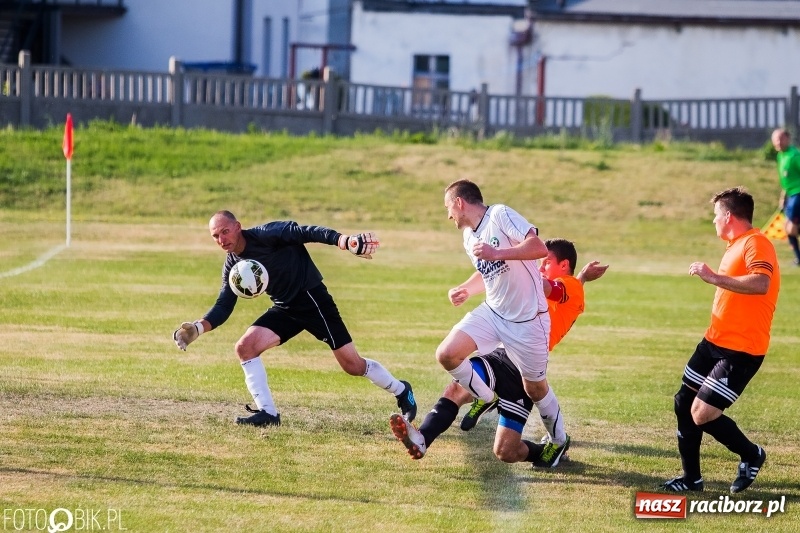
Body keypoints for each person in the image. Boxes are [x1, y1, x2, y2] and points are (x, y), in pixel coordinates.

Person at [172, 211, 416, 426]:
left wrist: (343, 240)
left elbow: (306, 232)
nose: (222, 239)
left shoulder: (268, 234)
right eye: (215, 236)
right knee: (245, 347)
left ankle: (401, 390)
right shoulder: (233, 265)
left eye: (225, 231)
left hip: (312, 300)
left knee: (352, 366)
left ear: (238, 227)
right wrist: (197, 328)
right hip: (285, 308)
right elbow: (224, 305)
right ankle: (268, 413)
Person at [390, 239, 608, 468]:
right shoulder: (571, 285)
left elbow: (553, 288)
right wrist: (467, 288)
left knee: (506, 451)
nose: (540, 267)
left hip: (522, 366)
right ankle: (422, 438)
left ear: (564, 265)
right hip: (500, 354)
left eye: (546, 262)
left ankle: (549, 449)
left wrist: (510, 260)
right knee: (457, 388)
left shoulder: (568, 286)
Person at [437, 179, 570, 464]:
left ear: (460, 202)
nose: (449, 215)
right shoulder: (468, 238)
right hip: (494, 313)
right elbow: (488, 274)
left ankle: (559, 441)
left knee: (535, 388)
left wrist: (498, 252)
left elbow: (538, 248)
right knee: (447, 354)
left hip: (528, 322)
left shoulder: (499, 214)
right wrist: (464, 289)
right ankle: (485, 396)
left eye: (449, 207)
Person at [662, 187, 779, 494]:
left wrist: (713, 277)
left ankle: (752, 454)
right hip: (714, 341)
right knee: (682, 402)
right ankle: (691, 479)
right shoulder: (734, 244)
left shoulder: (757, 242)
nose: (713, 221)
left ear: (728, 216)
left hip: (741, 349)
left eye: (716, 215)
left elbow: (761, 282)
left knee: (702, 413)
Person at [771, 128, 800, 264]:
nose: (778, 141)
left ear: (788, 139)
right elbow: (785, 181)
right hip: (791, 195)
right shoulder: (780, 156)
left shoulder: (795, 156)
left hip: (798, 194)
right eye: (775, 139)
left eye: (781, 138)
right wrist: (783, 197)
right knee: (788, 229)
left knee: (791, 228)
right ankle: (798, 259)